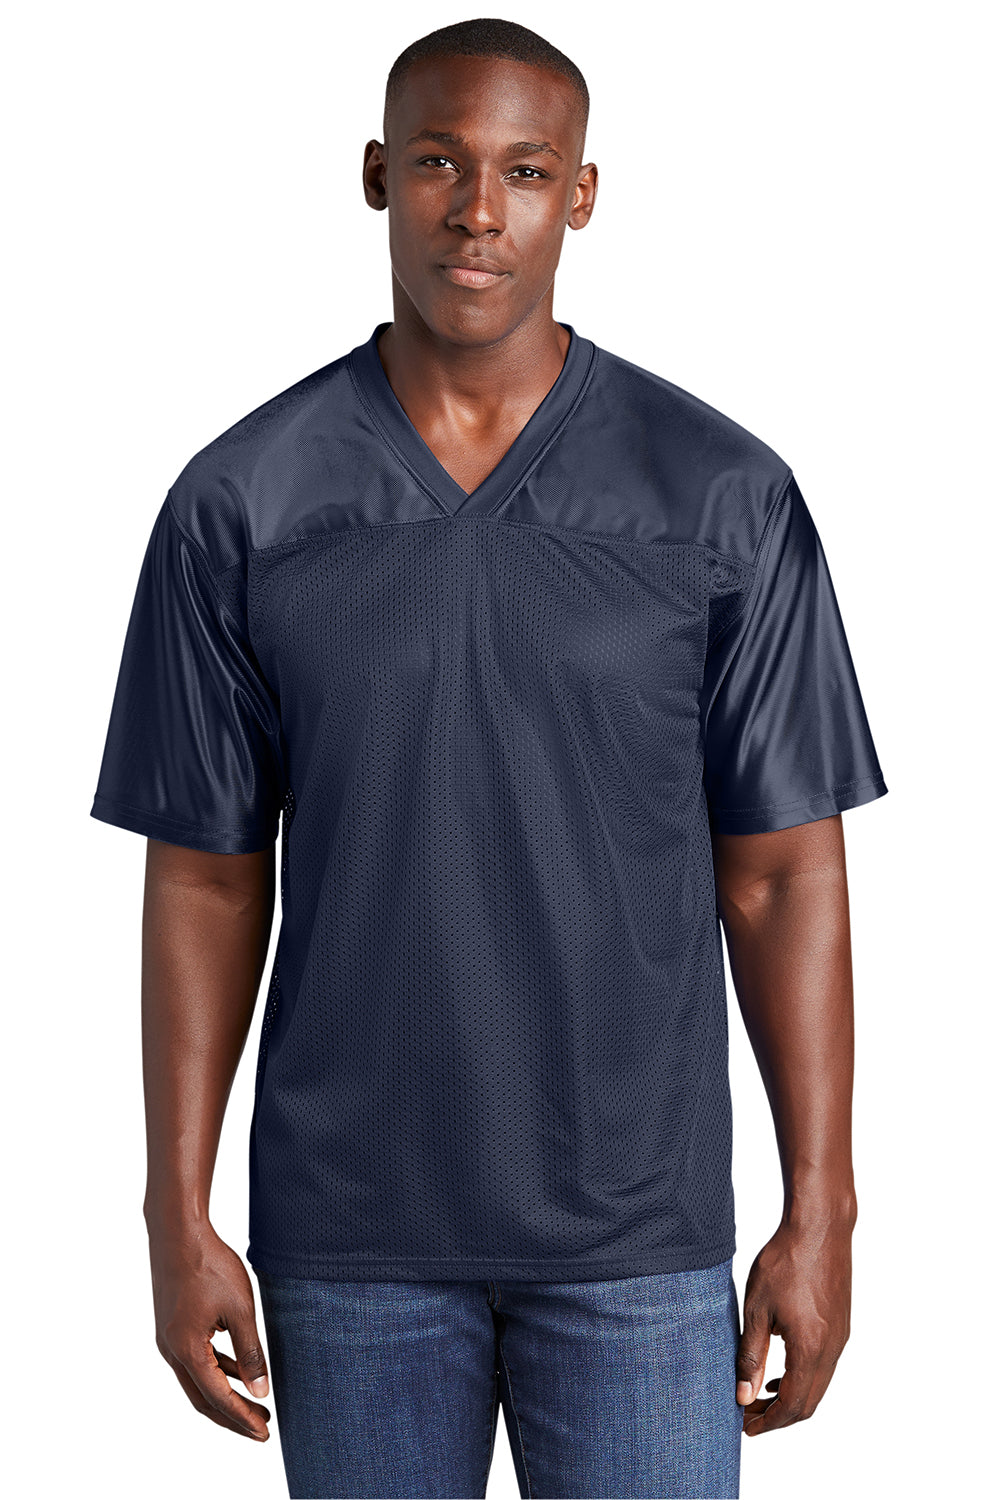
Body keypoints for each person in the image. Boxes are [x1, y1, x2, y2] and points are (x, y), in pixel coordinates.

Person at [89, 16, 888, 1500]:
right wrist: (174, 1213)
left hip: (638, 1242)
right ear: (375, 175)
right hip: (351, 1241)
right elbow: (203, 876)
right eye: (439, 164)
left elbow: (784, 873)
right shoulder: (241, 504)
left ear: (580, 196)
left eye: (524, 172)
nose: (477, 211)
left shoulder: (722, 496)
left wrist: (822, 1208)